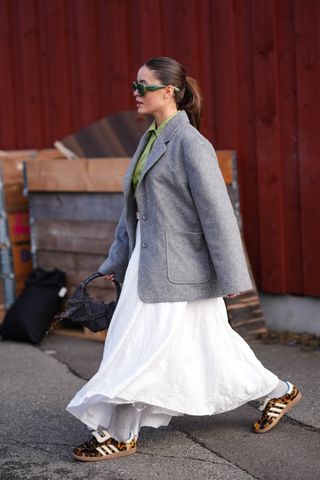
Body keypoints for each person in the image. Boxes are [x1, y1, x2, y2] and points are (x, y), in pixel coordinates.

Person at [66, 57, 302, 462]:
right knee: (210, 347)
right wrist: (115, 260)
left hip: (181, 269)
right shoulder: (150, 139)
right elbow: (135, 209)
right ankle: (278, 392)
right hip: (148, 262)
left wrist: (230, 276)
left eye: (143, 86)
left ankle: (121, 433)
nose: (135, 93)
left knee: (136, 344)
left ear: (168, 92)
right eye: (133, 85)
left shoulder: (191, 144)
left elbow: (217, 213)